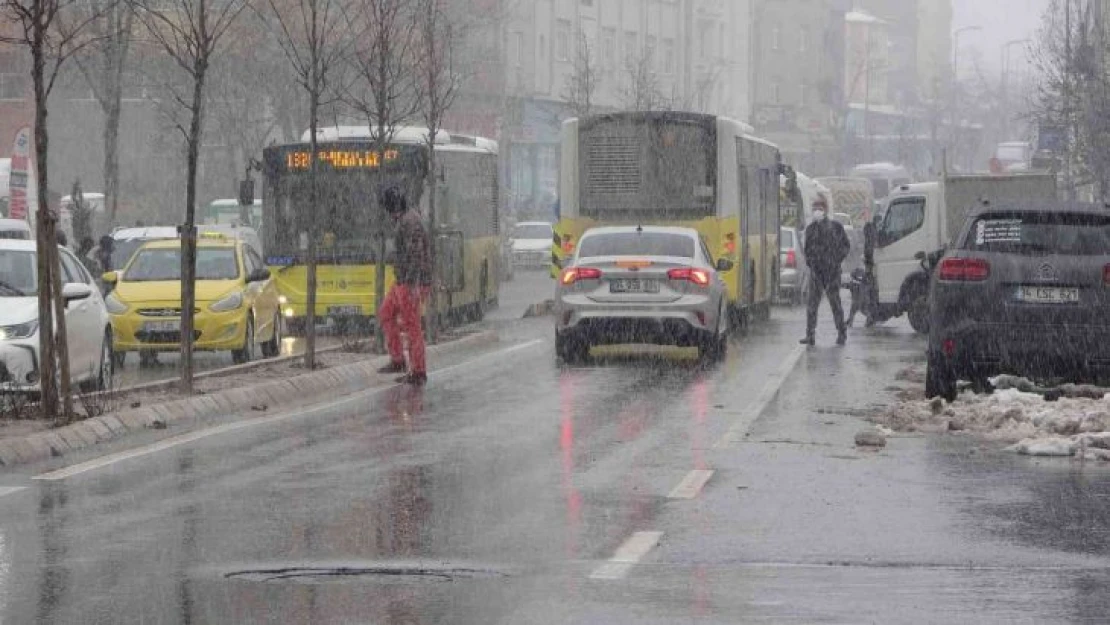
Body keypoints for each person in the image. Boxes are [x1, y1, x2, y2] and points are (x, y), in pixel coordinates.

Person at [377, 185, 432, 386]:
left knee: (412, 325)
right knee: (386, 313)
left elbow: (416, 255)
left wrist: (414, 283)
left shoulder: (410, 223)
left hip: (409, 281)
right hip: (403, 279)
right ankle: (398, 359)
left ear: (393, 207)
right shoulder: (406, 219)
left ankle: (418, 371)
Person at [801, 198, 851, 346]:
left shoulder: (836, 227)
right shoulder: (810, 229)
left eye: (819, 207)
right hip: (816, 272)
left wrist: (836, 261)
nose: (817, 210)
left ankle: (842, 333)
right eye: (814, 207)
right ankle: (810, 335)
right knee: (812, 305)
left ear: (825, 210)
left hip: (832, 272)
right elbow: (807, 250)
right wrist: (811, 263)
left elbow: (845, 246)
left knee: (835, 303)